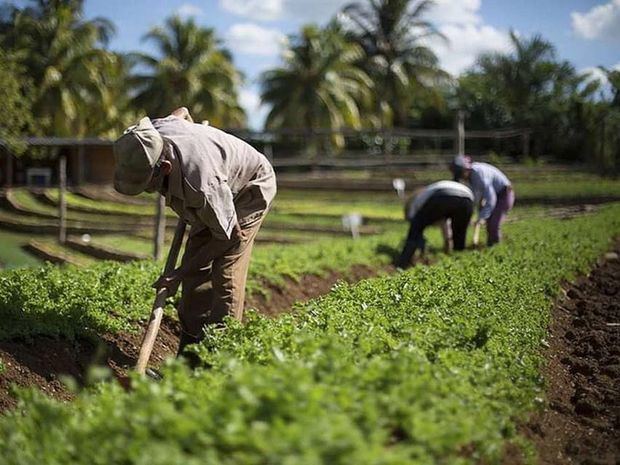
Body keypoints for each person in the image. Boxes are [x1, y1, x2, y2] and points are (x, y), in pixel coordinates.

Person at [113, 107, 277, 360]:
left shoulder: (201, 186)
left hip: (248, 187)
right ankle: (190, 353)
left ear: (165, 167)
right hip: (215, 190)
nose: (148, 191)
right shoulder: (150, 135)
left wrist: (178, 273)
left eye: (148, 184)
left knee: (226, 271)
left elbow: (231, 237)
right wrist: (192, 127)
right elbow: (182, 112)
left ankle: (220, 357)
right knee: (195, 273)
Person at [396, 180, 474, 268]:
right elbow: (446, 223)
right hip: (467, 199)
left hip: (442, 195)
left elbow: (413, 220)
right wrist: (448, 241)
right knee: (459, 234)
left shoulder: (416, 201)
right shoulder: (428, 194)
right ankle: (459, 264)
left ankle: (403, 262)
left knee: (415, 229)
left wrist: (416, 239)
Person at [450, 155, 514, 246]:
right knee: (490, 224)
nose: (461, 178)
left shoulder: (479, 174)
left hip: (504, 195)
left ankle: (496, 248)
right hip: (495, 195)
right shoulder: (471, 177)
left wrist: (481, 217)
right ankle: (490, 245)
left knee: (493, 224)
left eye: (460, 174)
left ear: (466, 169)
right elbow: (477, 196)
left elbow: (491, 199)